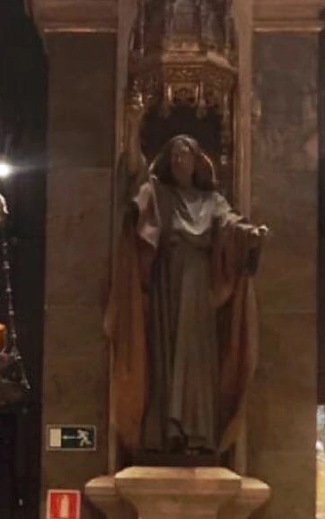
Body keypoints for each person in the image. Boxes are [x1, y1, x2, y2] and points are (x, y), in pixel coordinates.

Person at [104, 100, 266, 459]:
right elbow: (133, 173)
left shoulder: (212, 200)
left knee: (194, 356)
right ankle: (165, 432)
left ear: (196, 162)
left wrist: (250, 235)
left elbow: (231, 224)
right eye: (174, 155)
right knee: (164, 353)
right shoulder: (159, 193)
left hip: (197, 282)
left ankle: (196, 432)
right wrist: (132, 124)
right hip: (166, 282)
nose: (180, 160)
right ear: (168, 160)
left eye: (186, 154)